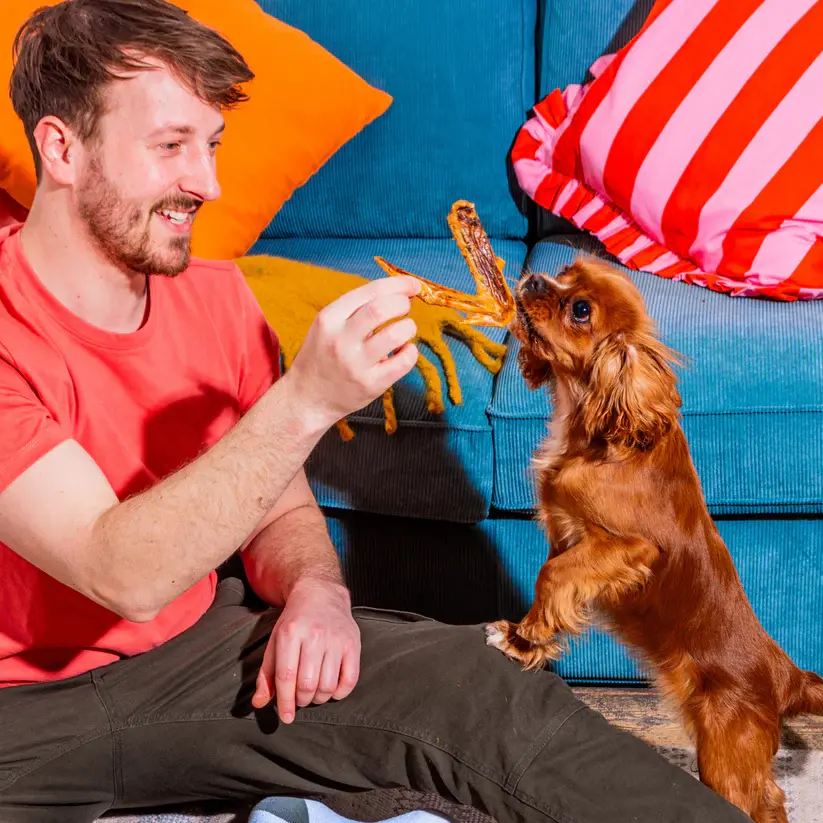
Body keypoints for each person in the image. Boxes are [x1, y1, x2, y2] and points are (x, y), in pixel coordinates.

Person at [0, 1, 748, 822]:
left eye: (211, 147)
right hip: (18, 716)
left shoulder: (214, 298)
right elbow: (122, 573)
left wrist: (317, 593)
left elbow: (273, 502)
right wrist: (307, 400)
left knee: (478, 691)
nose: (206, 184)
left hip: (198, 658)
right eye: (171, 146)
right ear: (61, 148)